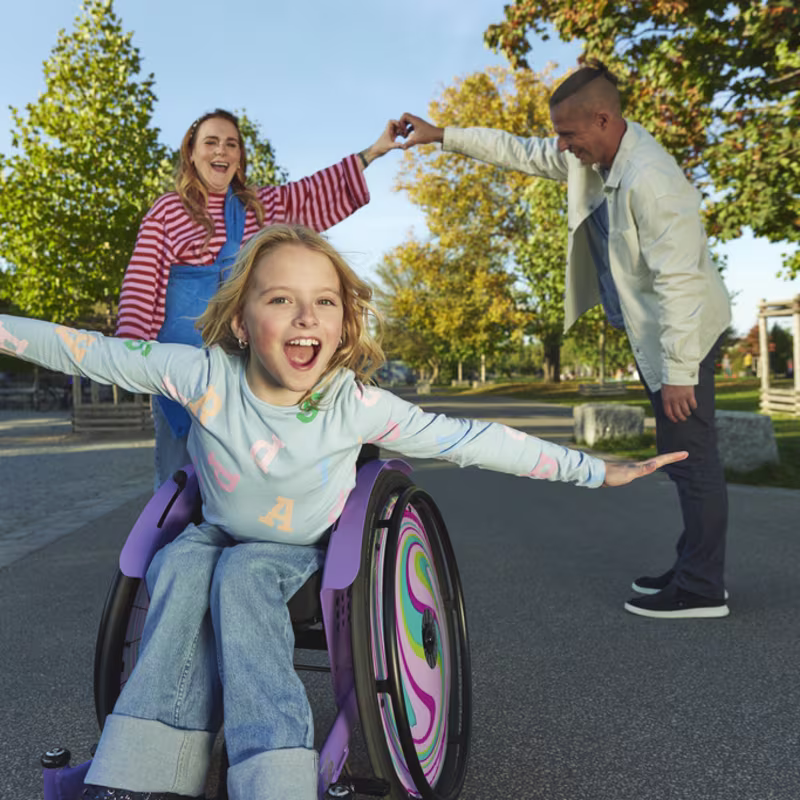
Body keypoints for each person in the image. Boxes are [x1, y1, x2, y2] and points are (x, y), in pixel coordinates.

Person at [0, 224, 686, 800]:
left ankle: (272, 772)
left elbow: (471, 439)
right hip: (215, 532)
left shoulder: (351, 404)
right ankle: (145, 770)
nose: (306, 318)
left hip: (302, 552)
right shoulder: (203, 374)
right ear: (241, 321)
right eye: (282, 300)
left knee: (240, 577)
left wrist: (596, 470)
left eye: (323, 301)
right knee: (178, 561)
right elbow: (88, 350)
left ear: (343, 321)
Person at [398, 60, 732, 620]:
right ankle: (692, 568)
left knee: (693, 461)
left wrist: (679, 371)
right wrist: (443, 137)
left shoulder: (653, 182)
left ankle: (702, 589)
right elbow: (519, 151)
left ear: (603, 120)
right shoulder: (594, 157)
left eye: (568, 135)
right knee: (683, 460)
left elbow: (682, 285)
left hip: (686, 336)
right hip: (660, 334)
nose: (560, 145)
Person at [117, 108, 404, 487]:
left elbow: (313, 191)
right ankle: (172, 545)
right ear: (192, 153)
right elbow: (142, 281)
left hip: (243, 365)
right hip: (183, 368)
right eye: (211, 142)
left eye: (231, 143)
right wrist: (129, 354)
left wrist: (374, 151)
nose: (221, 150)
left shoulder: (260, 207)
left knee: (247, 476)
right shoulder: (168, 211)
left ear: (239, 157)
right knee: (179, 481)